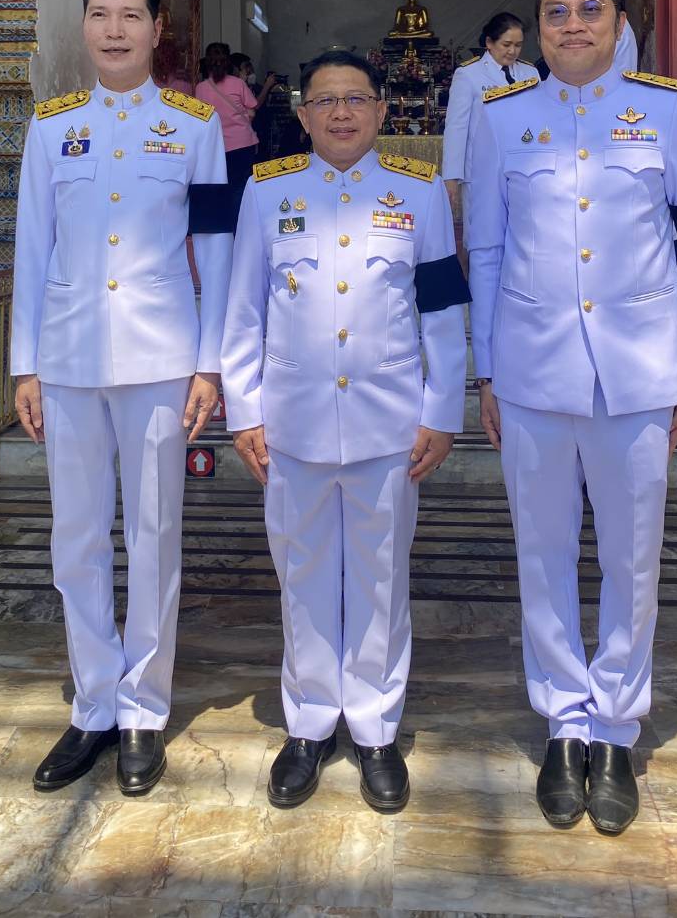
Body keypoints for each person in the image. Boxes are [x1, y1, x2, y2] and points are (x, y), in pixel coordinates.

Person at [467, 0, 677, 836]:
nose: (572, 24)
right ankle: (562, 722)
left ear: (619, 19)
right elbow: (487, 253)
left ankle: (615, 725)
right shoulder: (504, 119)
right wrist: (487, 370)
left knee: (632, 557)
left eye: (590, 9)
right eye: (555, 12)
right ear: (536, 29)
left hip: (637, 371)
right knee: (541, 556)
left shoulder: (664, 107)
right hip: (533, 374)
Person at [221, 50, 469, 812]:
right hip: (291, 423)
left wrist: (442, 409)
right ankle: (307, 723)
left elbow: (443, 310)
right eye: (324, 99)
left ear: (382, 108)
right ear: (300, 114)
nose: (340, 113)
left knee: (379, 577)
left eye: (355, 99)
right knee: (301, 575)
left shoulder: (420, 194)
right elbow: (243, 312)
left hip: (388, 424)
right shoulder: (268, 194)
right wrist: (245, 408)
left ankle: (374, 726)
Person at [11, 0, 235, 797]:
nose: (114, 29)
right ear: (84, 25)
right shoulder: (50, 127)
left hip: (158, 362)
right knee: (75, 539)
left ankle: (143, 706)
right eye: (100, 13)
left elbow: (215, 252)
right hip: (67, 361)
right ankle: (94, 702)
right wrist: (23, 365)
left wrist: (209, 361)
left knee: (153, 538)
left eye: (130, 15)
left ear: (157, 27)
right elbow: (33, 248)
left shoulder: (193, 127)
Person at [441, 11, 538, 245]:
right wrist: (452, 177)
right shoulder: (468, 75)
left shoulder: (530, 73)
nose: (512, 51)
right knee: (481, 239)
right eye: (506, 44)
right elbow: (457, 127)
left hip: (521, 168)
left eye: (518, 45)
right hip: (481, 171)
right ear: (489, 43)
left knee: (522, 235)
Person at [195, 42, 271, 214]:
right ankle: (241, 227)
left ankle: (224, 226)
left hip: (216, 147)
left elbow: (200, 118)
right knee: (242, 187)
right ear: (228, 62)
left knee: (221, 185)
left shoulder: (200, 89)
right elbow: (253, 105)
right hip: (243, 144)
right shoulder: (237, 84)